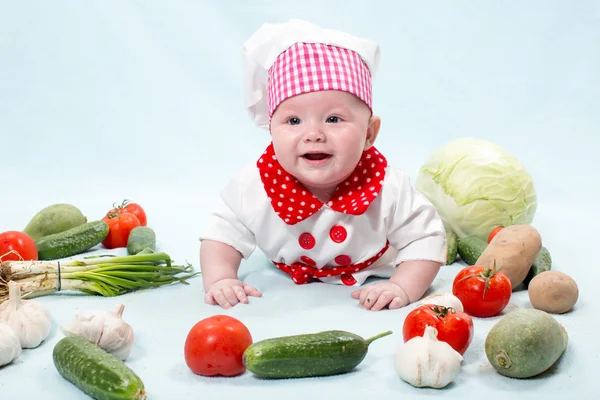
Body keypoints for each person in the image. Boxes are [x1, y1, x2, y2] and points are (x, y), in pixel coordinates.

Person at [199, 19, 446, 311]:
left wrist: (402, 285)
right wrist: (220, 279)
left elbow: (426, 237)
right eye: (293, 121)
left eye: (333, 119)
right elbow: (222, 233)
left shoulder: (387, 188)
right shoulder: (255, 186)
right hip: (286, 284)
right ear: (270, 130)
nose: (313, 134)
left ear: (369, 133)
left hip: (368, 270)